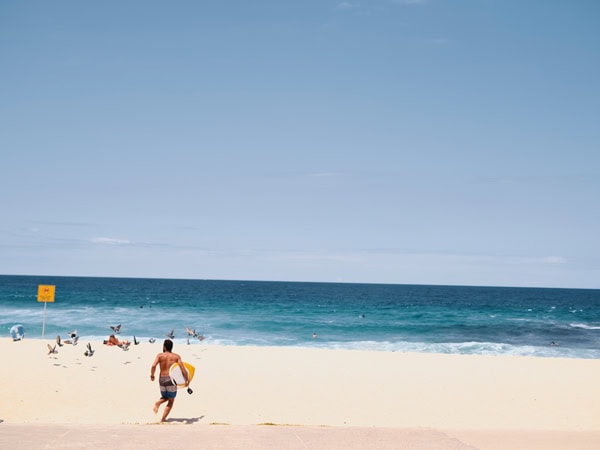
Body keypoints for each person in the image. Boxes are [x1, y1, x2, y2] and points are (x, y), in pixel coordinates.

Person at [150, 339, 188, 422]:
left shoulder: (160, 355)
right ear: (171, 347)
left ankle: (160, 407)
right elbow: (182, 368)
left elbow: (153, 366)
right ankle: (162, 415)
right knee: (171, 400)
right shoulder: (176, 356)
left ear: (164, 347)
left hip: (161, 379)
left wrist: (152, 375)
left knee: (165, 397)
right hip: (170, 379)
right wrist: (186, 379)